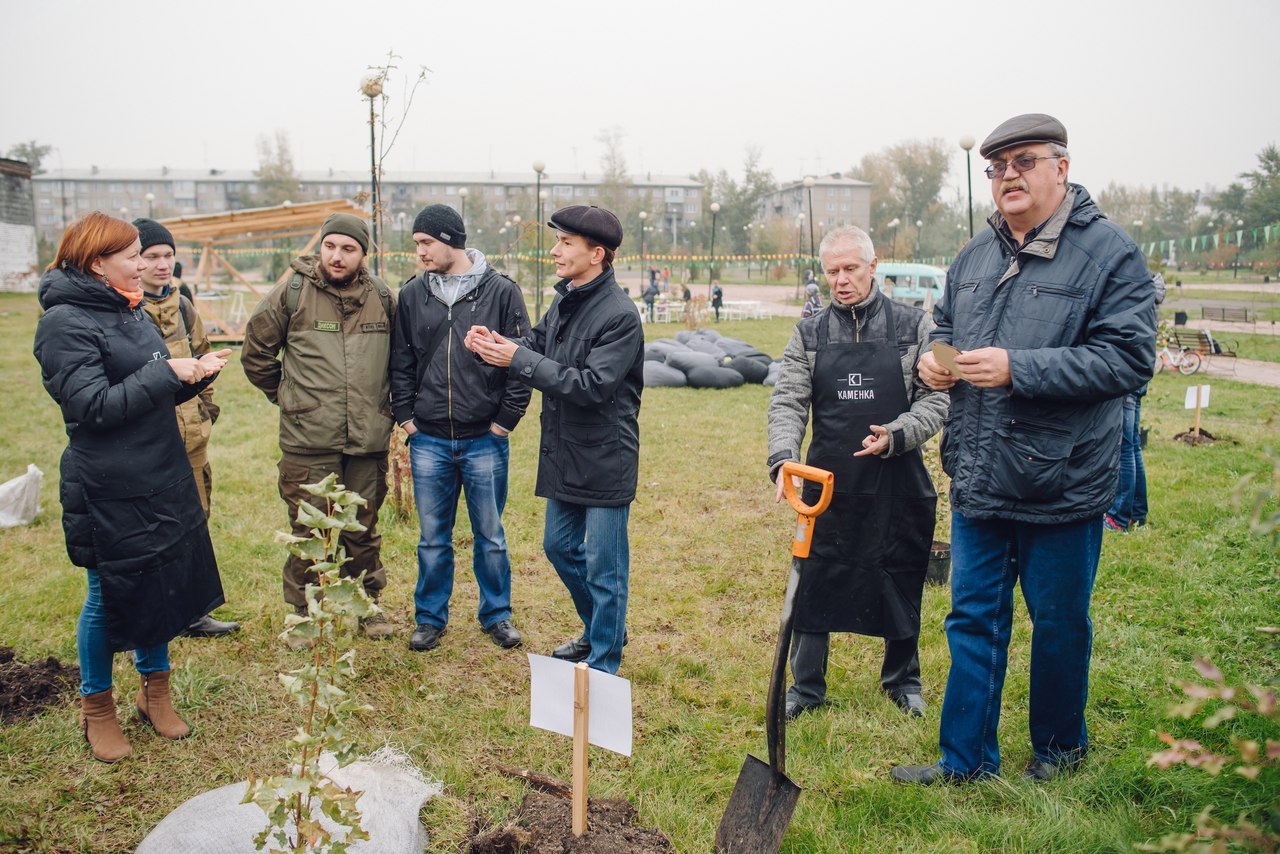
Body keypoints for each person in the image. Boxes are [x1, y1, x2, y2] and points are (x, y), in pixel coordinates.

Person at [894, 113, 1156, 785]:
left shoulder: (1109, 254)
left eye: (1023, 162)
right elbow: (946, 327)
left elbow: (1128, 361)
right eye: (996, 167)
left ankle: (1060, 752)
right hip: (979, 473)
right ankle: (965, 760)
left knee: (1060, 623)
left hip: (1062, 479)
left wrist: (1021, 369)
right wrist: (934, 361)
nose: (1007, 176)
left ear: (1060, 168)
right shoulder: (974, 256)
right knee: (971, 619)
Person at [33, 212, 231, 763]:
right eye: (133, 255)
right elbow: (92, 408)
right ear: (98, 262)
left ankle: (155, 692)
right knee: (106, 596)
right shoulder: (64, 324)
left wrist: (194, 375)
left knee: (163, 580)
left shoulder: (132, 310)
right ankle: (97, 707)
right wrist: (169, 372)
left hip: (161, 473)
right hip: (109, 486)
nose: (144, 264)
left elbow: (145, 395)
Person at [768, 226, 947, 721]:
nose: (841, 281)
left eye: (850, 269)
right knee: (814, 577)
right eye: (832, 272)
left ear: (874, 267)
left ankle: (903, 679)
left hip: (897, 478)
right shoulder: (809, 332)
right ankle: (806, 687)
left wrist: (897, 433)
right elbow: (787, 400)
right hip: (826, 481)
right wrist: (782, 457)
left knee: (899, 571)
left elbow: (940, 397)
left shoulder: (917, 326)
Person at [465, 205, 644, 674]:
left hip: (605, 457)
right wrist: (496, 344)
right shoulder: (565, 300)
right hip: (565, 452)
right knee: (559, 547)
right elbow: (538, 348)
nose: (555, 250)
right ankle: (603, 626)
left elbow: (592, 386)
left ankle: (604, 661)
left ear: (597, 254)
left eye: (566, 243)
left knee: (606, 570)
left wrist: (516, 361)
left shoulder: (620, 316)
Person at [242, 213, 397, 643]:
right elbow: (255, 355)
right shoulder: (291, 293)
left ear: (364, 254)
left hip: (366, 439)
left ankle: (367, 605)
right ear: (321, 247)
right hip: (308, 441)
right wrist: (291, 399)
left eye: (348, 248)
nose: (337, 256)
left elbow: (401, 361)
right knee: (309, 529)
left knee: (362, 527)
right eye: (330, 246)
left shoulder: (382, 296)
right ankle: (304, 614)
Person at [389, 205, 532, 653]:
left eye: (426, 243)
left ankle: (497, 615)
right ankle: (430, 618)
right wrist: (406, 417)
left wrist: (505, 421)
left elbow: (522, 360)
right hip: (428, 437)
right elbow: (401, 359)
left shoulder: (502, 292)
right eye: (417, 244)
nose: (420, 252)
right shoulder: (412, 294)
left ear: (450, 240)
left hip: (484, 438)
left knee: (490, 535)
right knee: (432, 537)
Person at [133, 218, 240, 639]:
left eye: (168, 256)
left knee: (195, 523)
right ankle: (151, 616)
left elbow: (205, 359)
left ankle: (193, 613)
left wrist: (206, 410)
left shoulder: (183, 305)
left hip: (191, 440)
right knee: (149, 532)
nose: (162, 265)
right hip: (148, 445)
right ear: (133, 260)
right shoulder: (124, 312)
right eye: (151, 256)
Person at [1106, 272, 1163, 531]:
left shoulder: (1133, 290)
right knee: (1133, 446)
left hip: (1127, 375)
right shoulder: (1150, 289)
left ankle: (1118, 516)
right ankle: (1137, 512)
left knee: (1123, 447)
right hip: (1141, 374)